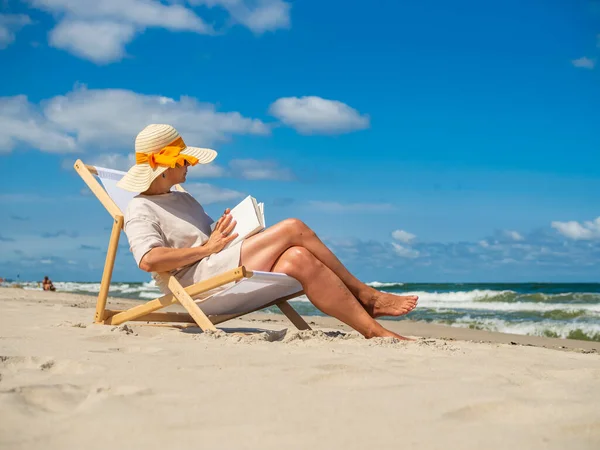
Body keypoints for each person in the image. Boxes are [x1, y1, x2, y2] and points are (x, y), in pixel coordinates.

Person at [117, 124, 418, 340]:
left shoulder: (182, 197)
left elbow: (208, 239)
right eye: (184, 160)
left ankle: (373, 331)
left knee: (298, 258)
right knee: (294, 228)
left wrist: (224, 229)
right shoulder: (139, 209)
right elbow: (149, 259)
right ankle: (366, 294)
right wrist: (207, 249)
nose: (190, 166)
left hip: (213, 266)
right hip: (195, 285)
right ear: (165, 166)